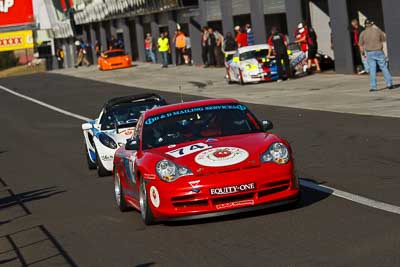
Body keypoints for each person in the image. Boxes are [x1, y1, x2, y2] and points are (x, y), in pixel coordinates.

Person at [359, 19, 393, 92]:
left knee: (372, 70)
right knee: (384, 68)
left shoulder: (363, 33)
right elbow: (383, 39)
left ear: (365, 25)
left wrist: (363, 53)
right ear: (371, 24)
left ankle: (373, 87)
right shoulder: (378, 30)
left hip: (369, 53)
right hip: (379, 51)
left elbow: (361, 45)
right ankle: (389, 84)